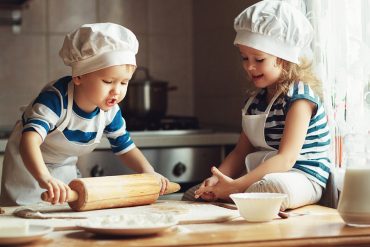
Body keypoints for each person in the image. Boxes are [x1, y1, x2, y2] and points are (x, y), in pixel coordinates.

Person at [184, 0, 331, 210]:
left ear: (285, 59)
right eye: (244, 57)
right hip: (266, 176)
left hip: (302, 178)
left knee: (270, 189)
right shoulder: (256, 101)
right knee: (194, 194)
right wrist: (218, 180)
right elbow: (240, 152)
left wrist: (235, 187)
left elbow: (286, 159)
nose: (250, 66)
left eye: (259, 59)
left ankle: (235, 197)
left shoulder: (300, 98)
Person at [0, 23, 169, 206]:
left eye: (124, 83)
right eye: (108, 81)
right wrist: (44, 178)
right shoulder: (56, 100)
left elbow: (125, 147)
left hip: (63, 167)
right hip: (27, 165)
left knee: (63, 218)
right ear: (79, 76)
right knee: (26, 219)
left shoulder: (110, 110)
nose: (116, 91)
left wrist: (148, 171)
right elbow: (30, 142)